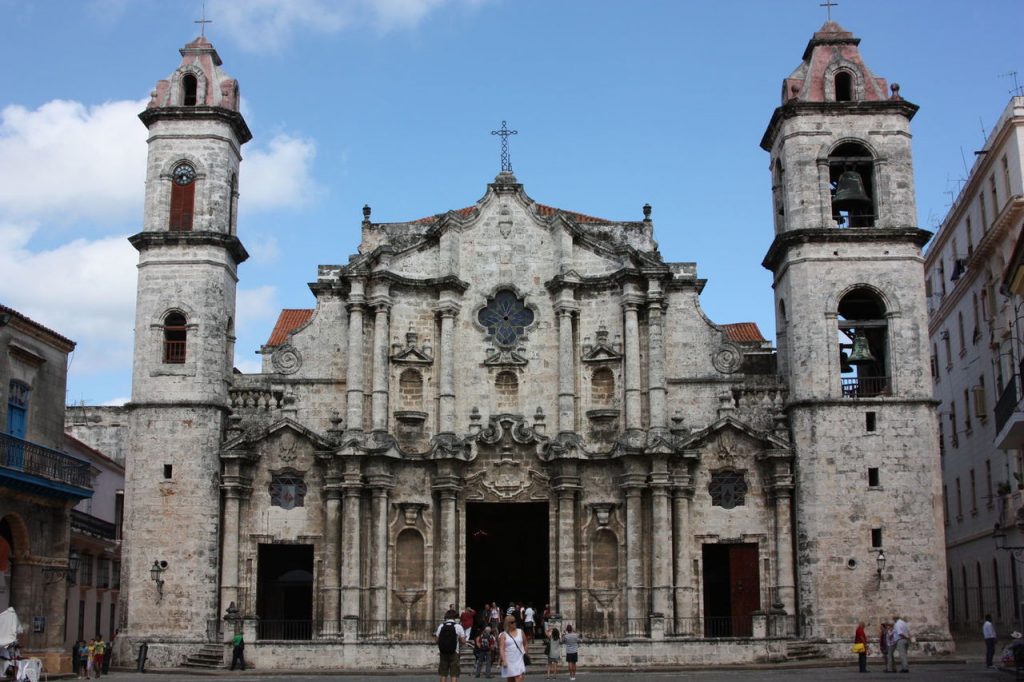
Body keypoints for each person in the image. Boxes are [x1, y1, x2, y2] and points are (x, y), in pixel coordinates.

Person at [436, 608, 467, 682]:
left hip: (443, 652)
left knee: (443, 674)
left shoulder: (441, 626)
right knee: (454, 674)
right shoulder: (458, 626)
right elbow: (463, 641)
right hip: (454, 652)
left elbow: (437, 640)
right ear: (455, 617)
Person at [498, 614, 526, 682]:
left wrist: (525, 653)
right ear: (508, 624)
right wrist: (504, 660)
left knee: (519, 678)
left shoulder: (520, 631)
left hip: (519, 660)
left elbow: (525, 643)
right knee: (511, 680)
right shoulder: (503, 635)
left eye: (515, 621)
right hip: (509, 660)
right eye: (512, 622)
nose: (515, 623)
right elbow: (501, 648)